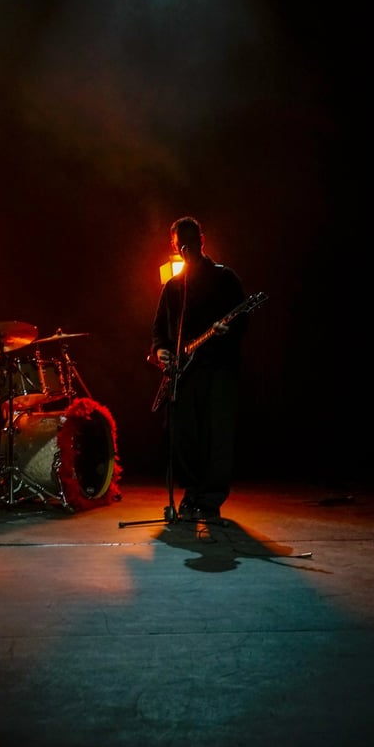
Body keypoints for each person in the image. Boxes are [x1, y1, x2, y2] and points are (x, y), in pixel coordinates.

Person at [150, 216, 247, 523]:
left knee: (216, 436)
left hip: (218, 369)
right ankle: (191, 492)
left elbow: (242, 320)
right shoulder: (173, 287)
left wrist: (225, 330)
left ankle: (210, 499)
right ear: (173, 246)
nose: (184, 248)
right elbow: (158, 331)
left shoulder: (225, 278)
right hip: (183, 373)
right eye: (179, 243)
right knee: (181, 434)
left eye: (189, 241)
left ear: (201, 241)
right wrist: (161, 350)